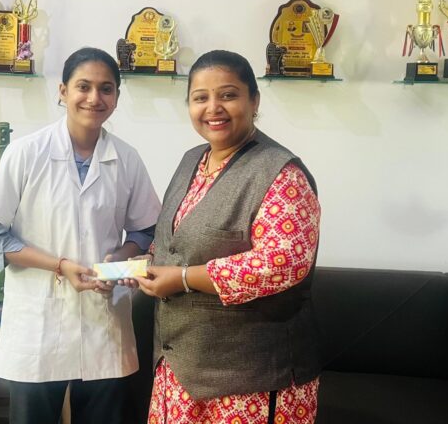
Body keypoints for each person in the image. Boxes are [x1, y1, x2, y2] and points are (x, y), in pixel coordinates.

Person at [0, 47, 161, 424]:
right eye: (83, 86)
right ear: (63, 91)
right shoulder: (26, 153)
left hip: (104, 321)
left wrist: (119, 259)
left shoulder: (126, 159)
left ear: (117, 97)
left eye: (106, 89)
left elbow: (146, 229)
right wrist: (60, 265)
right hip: (38, 323)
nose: (94, 98)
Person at [137, 50, 321, 424]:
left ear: (254, 101)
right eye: (200, 97)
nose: (213, 108)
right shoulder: (191, 161)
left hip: (251, 383)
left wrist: (183, 278)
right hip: (179, 368)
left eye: (228, 95)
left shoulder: (282, 173)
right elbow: (174, 239)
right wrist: (146, 263)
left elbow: (282, 263)